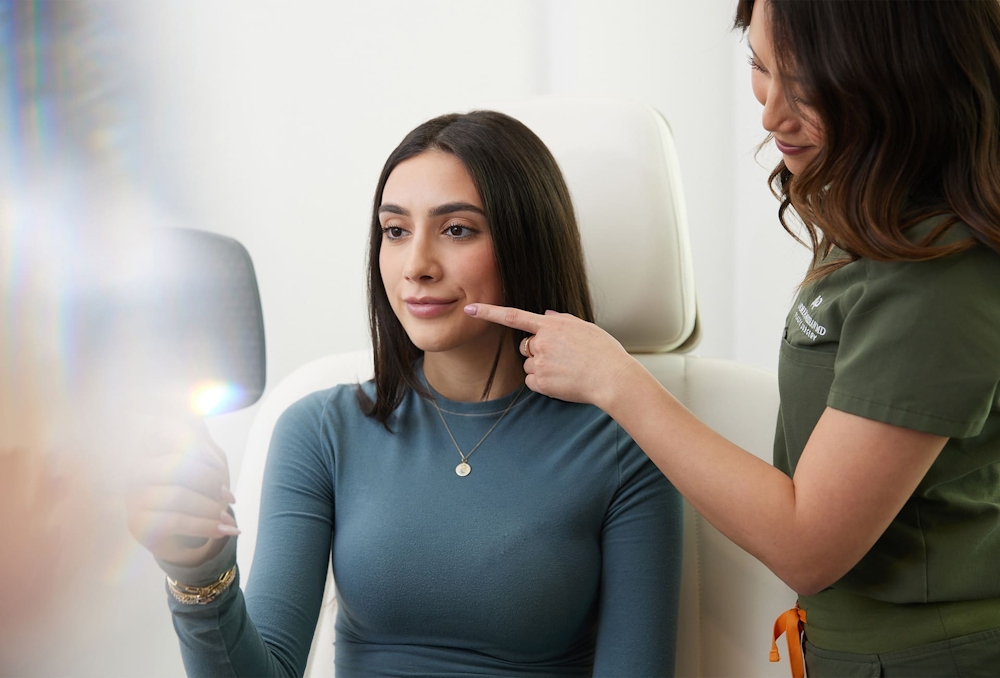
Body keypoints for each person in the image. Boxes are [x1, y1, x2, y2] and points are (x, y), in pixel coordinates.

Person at [466, 2, 1000, 676]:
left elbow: (809, 545)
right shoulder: (871, 211)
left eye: (807, 86)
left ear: (906, 80)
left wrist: (617, 381)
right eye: (760, 65)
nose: (771, 115)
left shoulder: (936, 274)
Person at [126, 110, 683, 677]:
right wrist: (201, 576)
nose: (416, 266)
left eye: (457, 229)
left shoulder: (628, 444)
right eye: (395, 231)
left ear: (527, 243)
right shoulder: (320, 431)